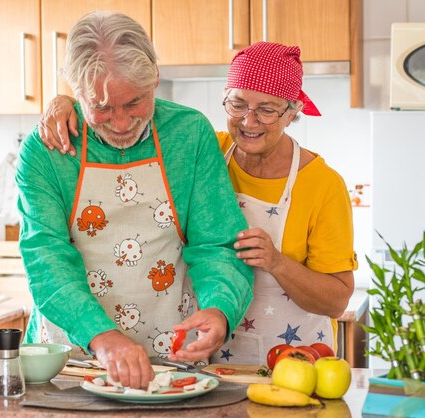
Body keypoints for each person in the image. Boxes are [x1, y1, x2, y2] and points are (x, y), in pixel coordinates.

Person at [38, 41, 358, 365]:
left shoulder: (323, 185)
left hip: (296, 357)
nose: (249, 121)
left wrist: (277, 262)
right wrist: (66, 102)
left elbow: (337, 299)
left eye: (267, 109)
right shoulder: (208, 149)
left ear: (292, 112)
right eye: (238, 104)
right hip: (218, 357)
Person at [16, 11, 253, 389]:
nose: (122, 123)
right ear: (74, 92)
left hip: (171, 361)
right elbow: (46, 257)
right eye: (103, 107)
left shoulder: (189, 134)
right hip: (71, 362)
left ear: (155, 77)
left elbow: (217, 244)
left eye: (135, 102)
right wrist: (102, 337)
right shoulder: (46, 149)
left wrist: (221, 309)